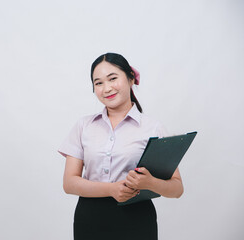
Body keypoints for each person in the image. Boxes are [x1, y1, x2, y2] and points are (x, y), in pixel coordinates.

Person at [58, 53, 184, 240]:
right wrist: (111, 189)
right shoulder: (84, 126)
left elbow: (177, 189)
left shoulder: (153, 128)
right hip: (89, 220)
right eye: (98, 83)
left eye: (113, 78)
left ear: (131, 79)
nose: (106, 88)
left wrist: (149, 183)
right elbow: (69, 183)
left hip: (137, 220)